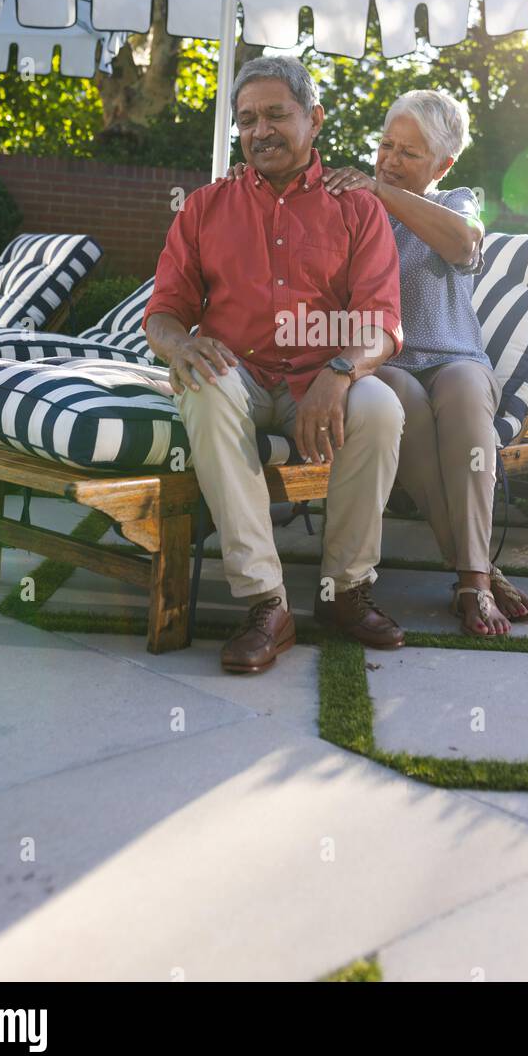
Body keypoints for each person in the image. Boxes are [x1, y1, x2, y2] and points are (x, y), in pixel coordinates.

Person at [142, 56, 407, 674]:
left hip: (325, 375)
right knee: (203, 387)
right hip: (238, 373)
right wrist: (180, 346)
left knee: (382, 408)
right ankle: (267, 602)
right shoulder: (205, 208)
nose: (260, 130)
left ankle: (345, 591)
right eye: (246, 120)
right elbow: (163, 312)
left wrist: (339, 375)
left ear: (314, 119)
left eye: (276, 115)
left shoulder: (358, 209)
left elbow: (384, 322)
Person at [322, 90, 528, 636]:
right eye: (386, 146)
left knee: (468, 398)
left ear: (443, 165)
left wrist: (383, 189)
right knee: (405, 403)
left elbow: (463, 245)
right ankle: (478, 577)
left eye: (409, 153)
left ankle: (474, 580)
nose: (390, 160)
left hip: (454, 357)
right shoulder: (355, 203)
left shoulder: (457, 204)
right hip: (386, 362)